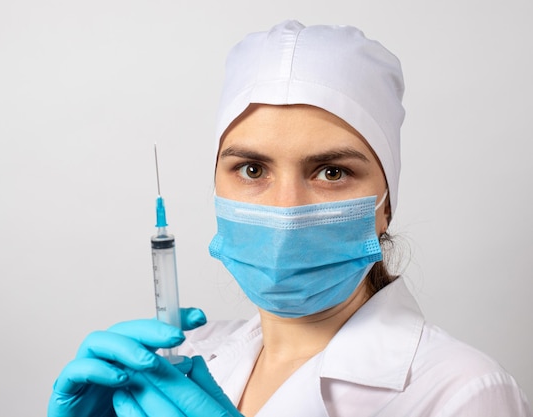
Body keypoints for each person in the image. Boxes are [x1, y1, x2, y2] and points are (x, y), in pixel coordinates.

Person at [48, 20, 532, 417]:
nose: (285, 210)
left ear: (384, 204)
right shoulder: (182, 360)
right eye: (252, 169)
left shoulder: (465, 393)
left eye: (331, 171)